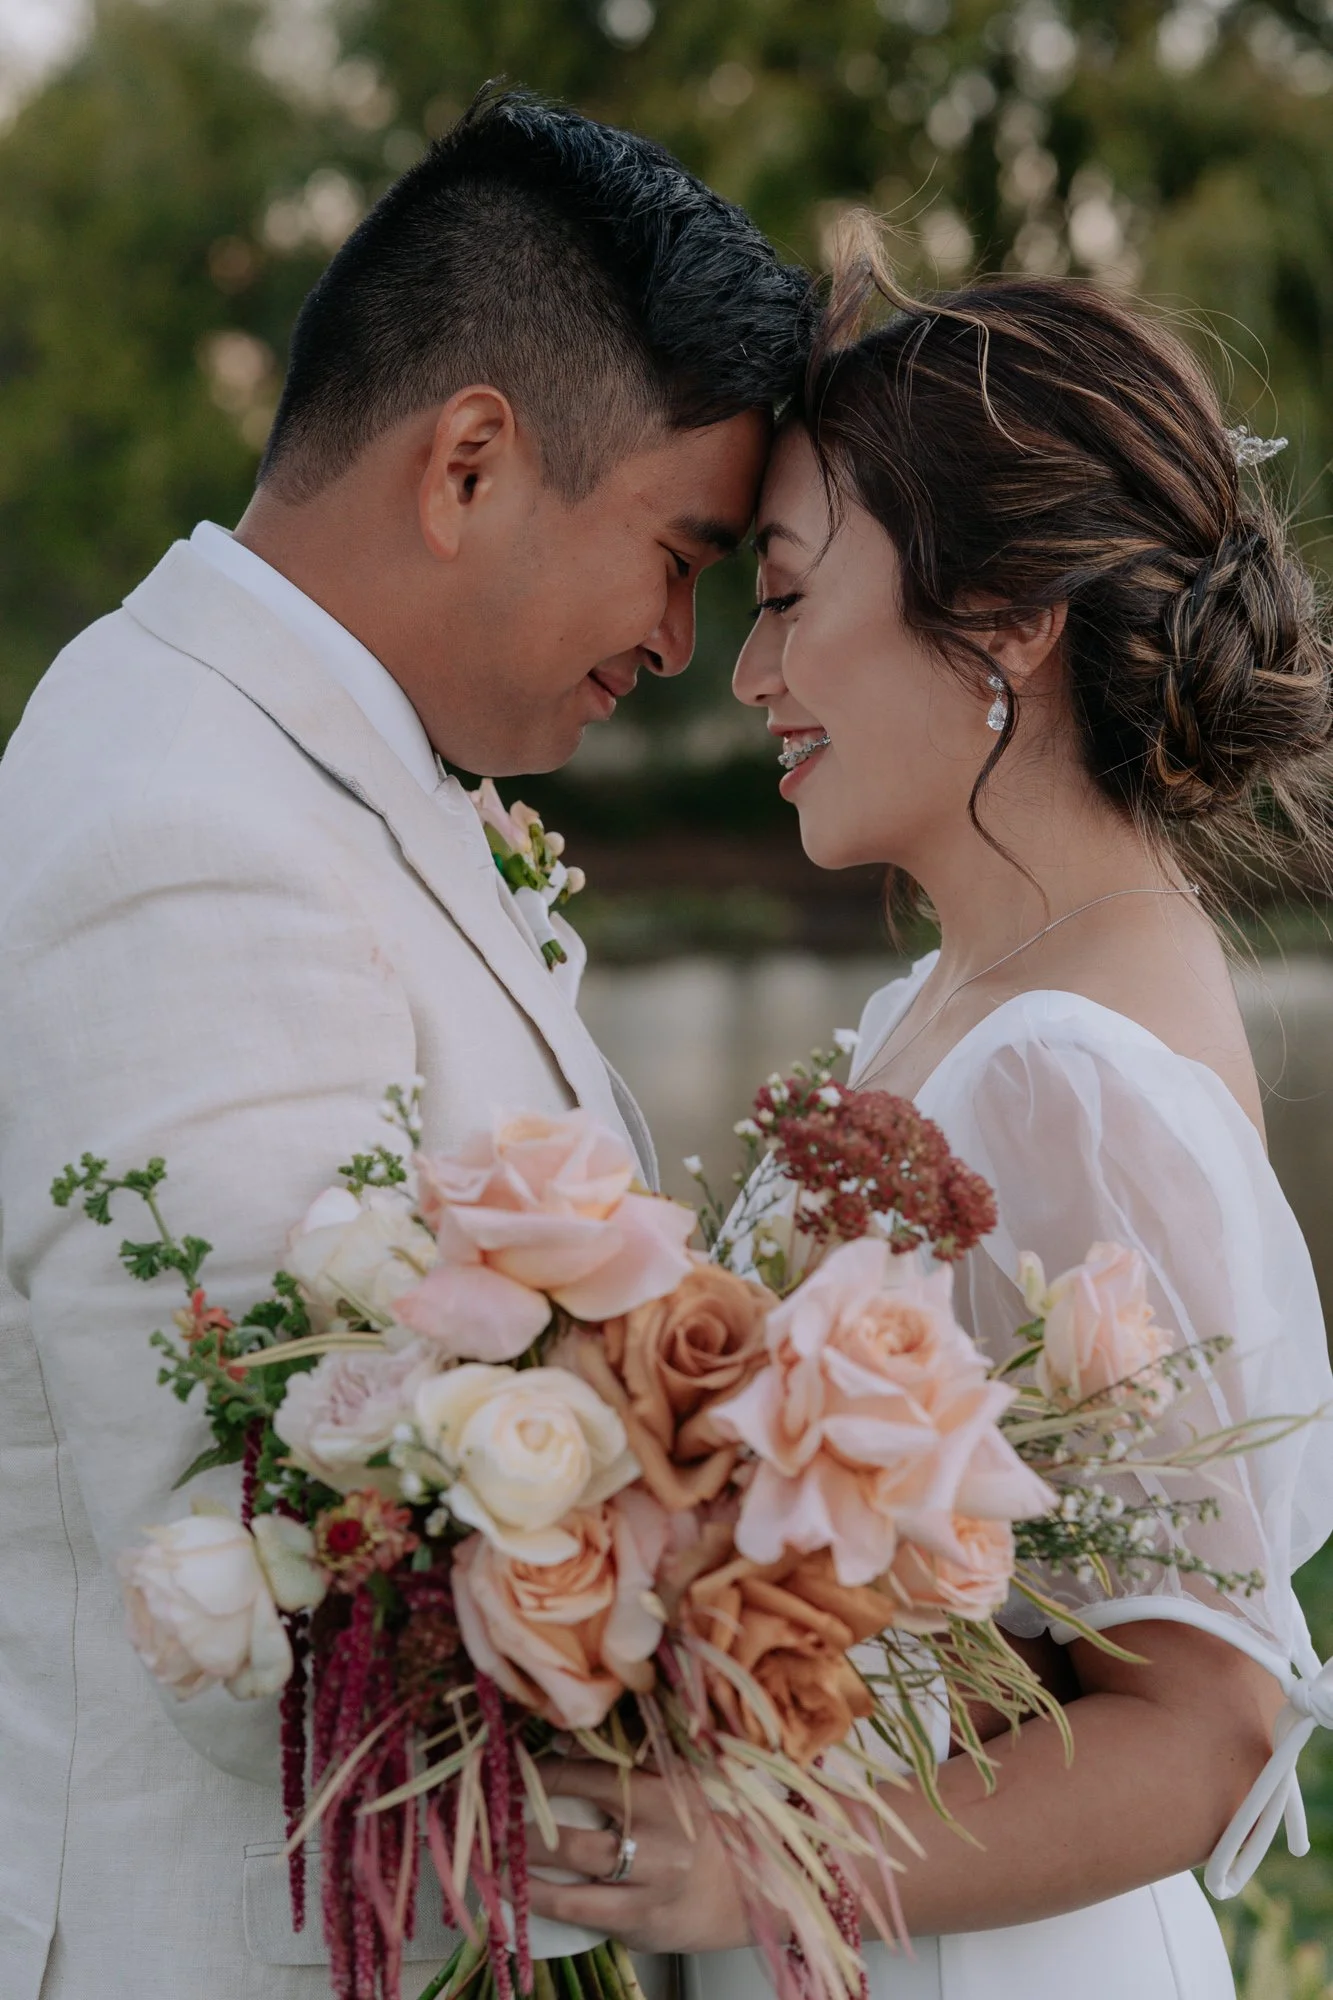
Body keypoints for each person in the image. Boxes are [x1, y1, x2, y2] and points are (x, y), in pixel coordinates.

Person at [0, 88, 812, 2000]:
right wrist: (789, 1607)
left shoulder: (310, 777)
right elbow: (273, 1594)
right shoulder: (179, 840)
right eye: (680, 552)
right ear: (468, 464)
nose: (684, 644)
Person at [521, 226, 1333, 1998]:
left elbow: (1203, 1723)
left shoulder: (1071, 1079)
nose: (749, 677)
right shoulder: (971, 995)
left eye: (795, 596)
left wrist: (754, 1856)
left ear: (1014, 616)